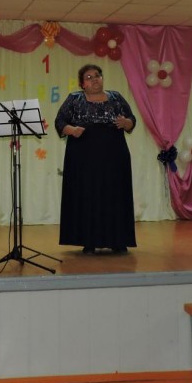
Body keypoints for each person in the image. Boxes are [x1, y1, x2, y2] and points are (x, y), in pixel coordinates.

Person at [55, 63, 137, 255]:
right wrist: (71, 129)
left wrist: (126, 122)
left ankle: (118, 240)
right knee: (87, 194)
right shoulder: (74, 98)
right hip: (83, 155)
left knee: (115, 194)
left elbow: (131, 119)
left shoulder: (116, 97)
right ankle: (88, 241)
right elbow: (60, 121)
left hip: (114, 154)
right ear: (82, 83)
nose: (95, 79)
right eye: (89, 77)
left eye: (97, 75)